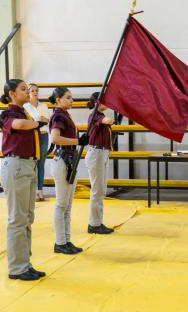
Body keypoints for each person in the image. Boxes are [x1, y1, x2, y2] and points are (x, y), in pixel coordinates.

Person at [0, 79, 47, 280]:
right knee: (18, 219)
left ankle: (25, 263)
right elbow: (18, 125)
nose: (27, 92)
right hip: (16, 165)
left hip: (28, 165)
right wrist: (38, 123)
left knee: (27, 218)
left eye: (28, 89)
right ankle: (17, 268)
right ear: (11, 93)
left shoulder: (25, 112)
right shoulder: (9, 113)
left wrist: (36, 122)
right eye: (23, 89)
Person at [49, 87, 89, 254]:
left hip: (69, 161)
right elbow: (55, 138)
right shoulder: (58, 116)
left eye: (72, 97)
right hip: (62, 160)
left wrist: (77, 141)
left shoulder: (64, 115)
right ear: (58, 99)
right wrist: (77, 140)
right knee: (61, 204)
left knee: (67, 205)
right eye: (68, 97)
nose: (71, 100)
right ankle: (60, 242)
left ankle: (65, 240)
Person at [85, 92, 115, 234]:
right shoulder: (95, 115)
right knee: (97, 190)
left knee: (101, 189)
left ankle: (97, 221)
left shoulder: (99, 115)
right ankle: (94, 224)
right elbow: (108, 121)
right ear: (98, 102)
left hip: (102, 153)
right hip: (96, 153)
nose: (107, 103)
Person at [24, 83, 50, 201]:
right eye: (32, 90)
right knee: (32, 163)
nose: (35, 92)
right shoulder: (25, 106)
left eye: (36, 90)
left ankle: (40, 190)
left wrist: (37, 120)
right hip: (33, 136)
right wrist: (39, 120)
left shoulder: (43, 105)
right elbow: (35, 121)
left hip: (44, 136)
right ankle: (32, 191)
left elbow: (46, 120)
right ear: (28, 92)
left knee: (41, 163)